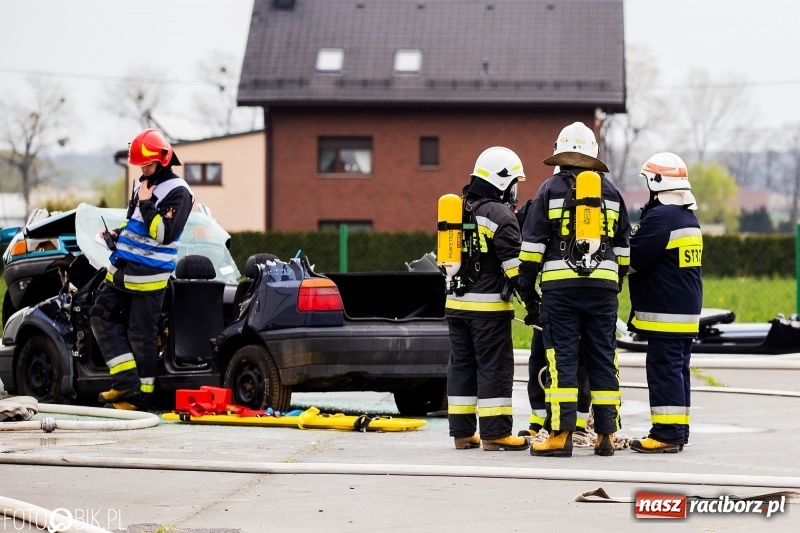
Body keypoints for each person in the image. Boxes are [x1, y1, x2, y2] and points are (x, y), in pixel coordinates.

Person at [517, 122, 631, 457]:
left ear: (561, 152)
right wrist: (614, 281)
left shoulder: (549, 189)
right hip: (603, 291)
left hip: (560, 291)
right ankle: (606, 436)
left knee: (562, 361)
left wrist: (528, 291)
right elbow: (624, 248)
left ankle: (561, 435)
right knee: (603, 360)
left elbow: (533, 244)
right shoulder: (611, 193)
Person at [91, 128, 195, 410]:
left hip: (149, 278)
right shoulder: (141, 185)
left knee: (142, 335)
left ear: (163, 160)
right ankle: (124, 383)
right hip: (123, 271)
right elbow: (135, 224)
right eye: (140, 166)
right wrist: (116, 234)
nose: (143, 170)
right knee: (99, 316)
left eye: (147, 165)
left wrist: (148, 203)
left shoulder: (179, 193)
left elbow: (164, 233)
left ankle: (140, 398)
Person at [446, 146, 529, 451]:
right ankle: (496, 434)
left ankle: (463, 433)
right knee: (494, 367)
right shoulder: (499, 214)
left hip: (455, 305)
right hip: (489, 309)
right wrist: (534, 304)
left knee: (462, 366)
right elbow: (515, 269)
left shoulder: (457, 209)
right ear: (502, 180)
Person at [627, 152, 702, 453]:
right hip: (684, 311)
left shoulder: (661, 217)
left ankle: (666, 434)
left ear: (656, 183)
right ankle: (678, 430)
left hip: (666, 312)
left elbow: (635, 259)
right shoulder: (686, 215)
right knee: (678, 369)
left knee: (664, 369)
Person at [514, 200, 592, 439]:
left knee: (555, 361)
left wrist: (528, 296)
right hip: (577, 296)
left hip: (557, 296)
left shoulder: (546, 199)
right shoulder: (606, 200)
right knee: (568, 362)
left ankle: (561, 423)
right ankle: (544, 421)